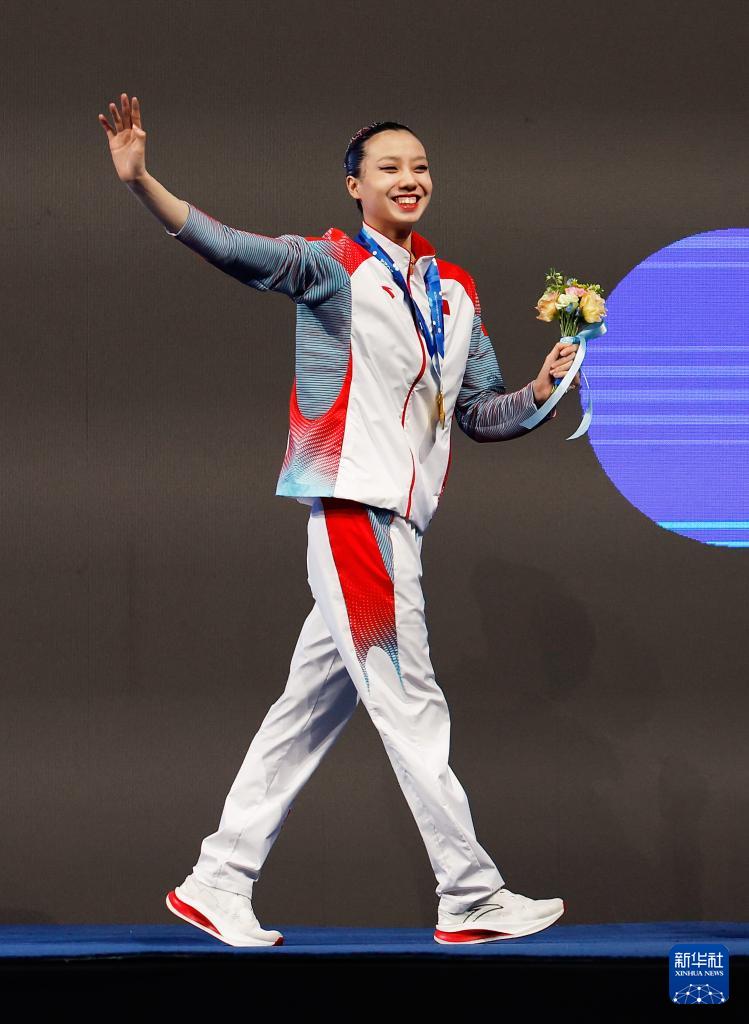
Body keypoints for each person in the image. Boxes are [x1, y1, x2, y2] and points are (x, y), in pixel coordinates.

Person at [98, 94, 578, 947]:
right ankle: (469, 894)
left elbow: (478, 413)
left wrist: (541, 389)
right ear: (354, 186)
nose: (408, 178)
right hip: (357, 510)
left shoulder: (455, 291)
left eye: (419, 166)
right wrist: (142, 183)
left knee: (307, 711)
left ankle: (218, 879)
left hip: (398, 522)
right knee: (411, 704)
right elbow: (233, 249)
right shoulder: (331, 267)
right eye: (388, 167)